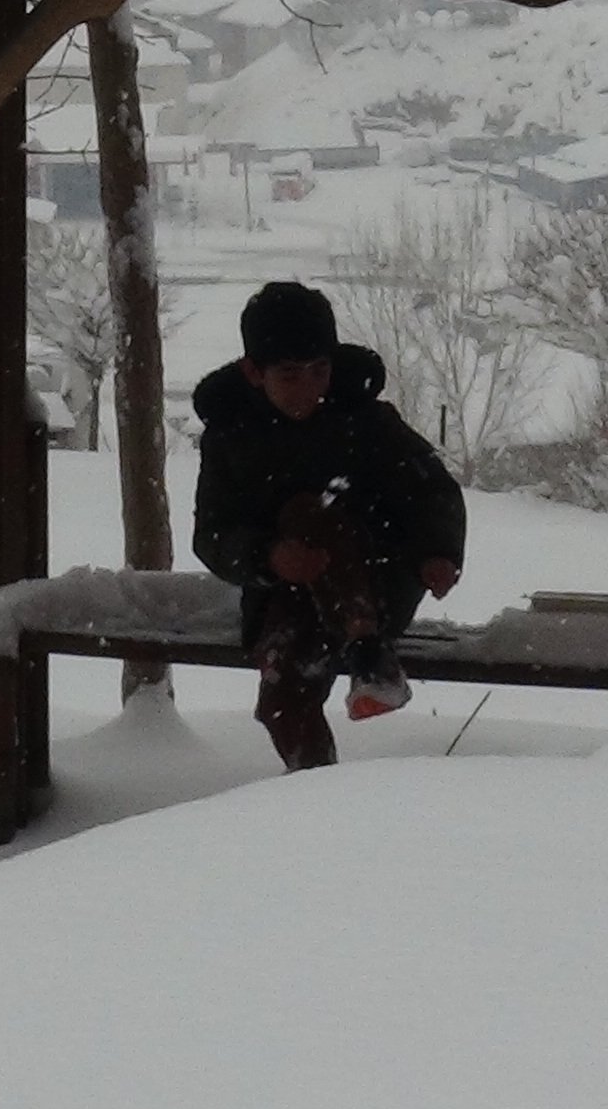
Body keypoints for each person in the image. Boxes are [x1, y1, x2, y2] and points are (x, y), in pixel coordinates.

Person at [192, 280, 467, 771]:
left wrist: (437, 551)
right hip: (284, 598)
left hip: (379, 583)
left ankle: (365, 646)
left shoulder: (365, 421)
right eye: (291, 375)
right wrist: (268, 557)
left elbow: (431, 489)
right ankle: (318, 800)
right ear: (254, 372)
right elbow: (213, 533)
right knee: (284, 692)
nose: (309, 388)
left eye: (320, 371)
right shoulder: (232, 437)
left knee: (309, 511)